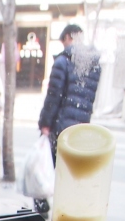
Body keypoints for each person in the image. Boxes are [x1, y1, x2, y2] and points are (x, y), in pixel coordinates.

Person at [38, 24, 103, 161]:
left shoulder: (63, 62)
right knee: (71, 168)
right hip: (81, 130)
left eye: (63, 42)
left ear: (68, 37)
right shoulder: (93, 65)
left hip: (61, 128)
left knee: (53, 168)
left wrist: (45, 124)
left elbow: (53, 96)